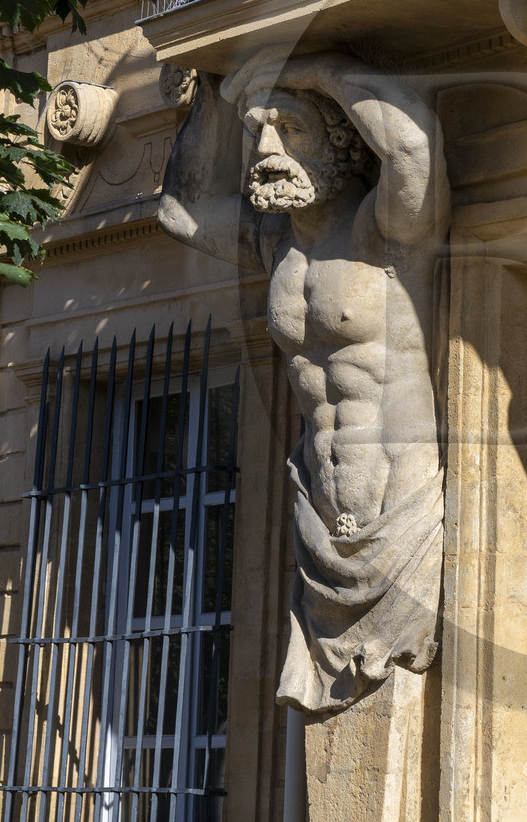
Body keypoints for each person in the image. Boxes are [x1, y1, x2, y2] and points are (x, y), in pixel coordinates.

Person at [159, 52, 448, 715]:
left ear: (342, 137)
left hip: (399, 513)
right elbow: (182, 210)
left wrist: (314, 67)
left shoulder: (388, 233)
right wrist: (209, 82)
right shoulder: (275, 248)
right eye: (256, 131)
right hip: (321, 524)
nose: (265, 149)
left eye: (290, 129)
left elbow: (413, 148)